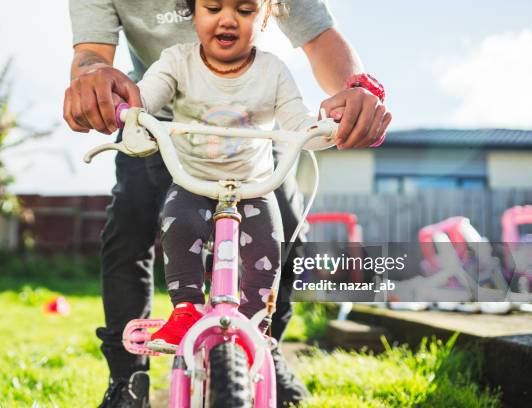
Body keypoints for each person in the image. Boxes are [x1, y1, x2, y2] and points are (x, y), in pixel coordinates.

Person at [64, 1, 391, 407]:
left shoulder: (271, 71)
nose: (226, 18)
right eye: (212, 6)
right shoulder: (175, 61)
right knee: (129, 230)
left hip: (251, 142)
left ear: (266, 14)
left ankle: (263, 340)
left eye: (244, 8)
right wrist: (104, 91)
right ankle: (128, 381)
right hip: (166, 124)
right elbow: (93, 55)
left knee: (285, 234)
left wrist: (348, 101)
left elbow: (320, 41)